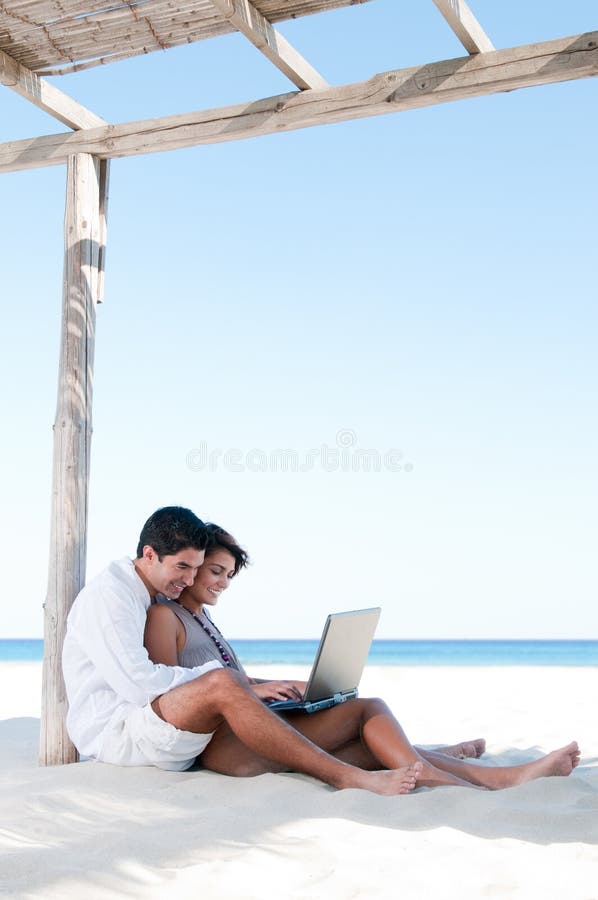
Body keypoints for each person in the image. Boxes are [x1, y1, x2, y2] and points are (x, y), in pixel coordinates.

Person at [144, 524, 581, 791]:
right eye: (214, 571)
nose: (221, 583)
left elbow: (223, 676)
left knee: (371, 744)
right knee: (367, 711)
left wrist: (275, 684)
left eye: (227, 576)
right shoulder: (167, 617)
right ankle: (461, 777)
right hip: (228, 750)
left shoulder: (200, 618)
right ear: (194, 565)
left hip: (246, 736)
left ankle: (499, 776)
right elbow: (175, 691)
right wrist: (254, 689)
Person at [62, 506, 420, 795]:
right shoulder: (111, 597)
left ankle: (421, 761)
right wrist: (239, 684)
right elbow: (141, 685)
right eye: (183, 567)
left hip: (149, 720)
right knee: (222, 683)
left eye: (196, 568)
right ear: (149, 554)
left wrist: (260, 682)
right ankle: (344, 777)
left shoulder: (148, 591)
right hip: (118, 732)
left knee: (340, 720)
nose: (189, 580)